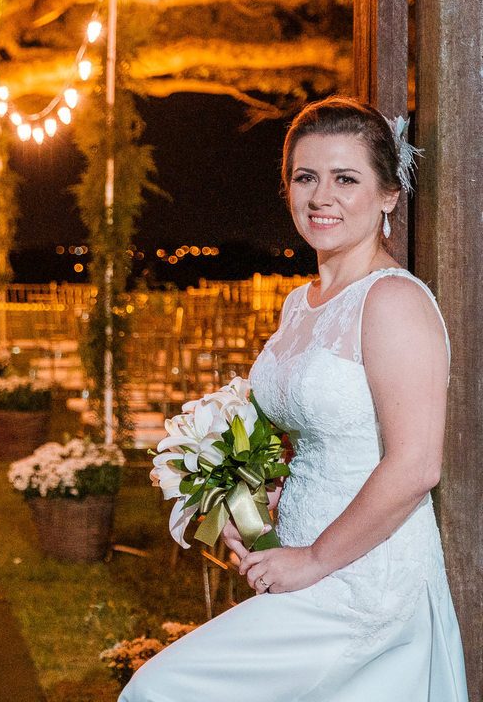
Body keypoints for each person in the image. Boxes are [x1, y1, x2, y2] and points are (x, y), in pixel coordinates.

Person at [122, 96, 468, 701]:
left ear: (389, 194)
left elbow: (415, 465)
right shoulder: (298, 305)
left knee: (160, 691)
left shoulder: (393, 302)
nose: (320, 196)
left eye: (345, 178)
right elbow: (311, 435)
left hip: (361, 576)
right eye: (305, 177)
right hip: (294, 554)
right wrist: (248, 503)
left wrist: (312, 560)